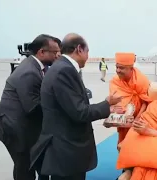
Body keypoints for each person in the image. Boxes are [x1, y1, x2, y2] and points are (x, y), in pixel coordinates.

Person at [30, 33, 122, 180]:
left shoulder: (61, 67)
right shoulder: (63, 71)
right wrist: (107, 106)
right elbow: (80, 112)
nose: (87, 57)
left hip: (64, 149)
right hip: (67, 150)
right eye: (87, 52)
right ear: (79, 49)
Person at [0, 34, 60, 180]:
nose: (58, 56)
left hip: (26, 126)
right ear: (41, 52)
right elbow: (33, 107)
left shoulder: (37, 67)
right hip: (16, 129)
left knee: (37, 163)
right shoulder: (29, 72)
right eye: (55, 52)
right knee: (25, 168)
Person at [108, 52, 152, 144]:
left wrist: (136, 120)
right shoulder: (115, 81)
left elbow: (146, 102)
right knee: (122, 145)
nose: (118, 70)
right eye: (117, 67)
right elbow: (113, 104)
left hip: (138, 121)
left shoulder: (141, 80)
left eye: (121, 68)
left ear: (131, 68)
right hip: (122, 121)